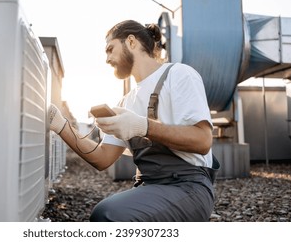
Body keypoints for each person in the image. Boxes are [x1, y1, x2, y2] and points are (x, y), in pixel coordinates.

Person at [48, 19, 219, 222]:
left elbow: (202, 141)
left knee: (107, 215)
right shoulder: (125, 102)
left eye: (110, 49)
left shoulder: (179, 75)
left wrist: (142, 126)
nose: (107, 58)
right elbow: (102, 158)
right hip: (150, 187)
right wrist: (60, 125)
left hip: (189, 187)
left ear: (131, 42)